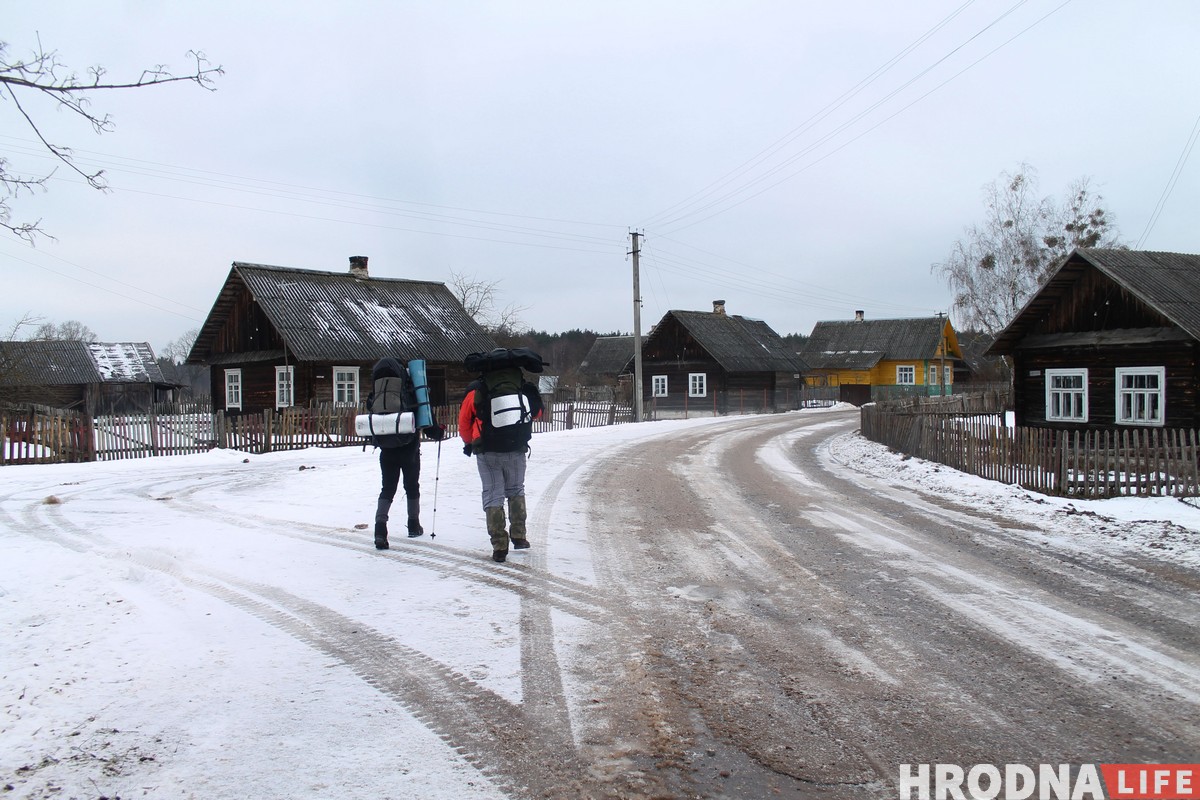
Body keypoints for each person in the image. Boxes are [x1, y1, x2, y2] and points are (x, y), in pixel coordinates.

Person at [458, 354, 544, 563]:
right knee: (516, 489)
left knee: (493, 494)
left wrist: (470, 442)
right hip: (516, 448)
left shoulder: (477, 389)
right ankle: (519, 537)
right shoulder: (523, 386)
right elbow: (537, 413)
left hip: (487, 451)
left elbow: (464, 422)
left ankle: (499, 546)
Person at [367, 358, 445, 550]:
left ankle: (380, 530)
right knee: (411, 486)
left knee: (387, 488)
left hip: (386, 448)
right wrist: (437, 432)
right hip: (409, 447)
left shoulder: (378, 391)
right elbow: (425, 416)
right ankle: (413, 525)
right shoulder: (410, 389)